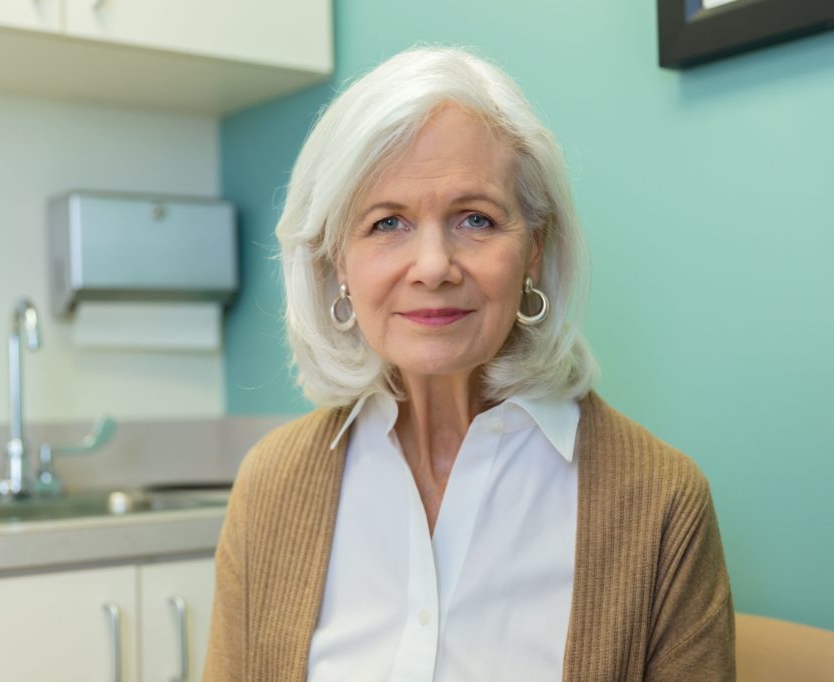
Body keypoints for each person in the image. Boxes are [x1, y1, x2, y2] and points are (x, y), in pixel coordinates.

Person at [205, 46, 734, 681]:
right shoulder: (271, 487)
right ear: (337, 261)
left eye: (475, 219)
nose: (433, 267)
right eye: (388, 223)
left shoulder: (663, 505)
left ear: (534, 249)